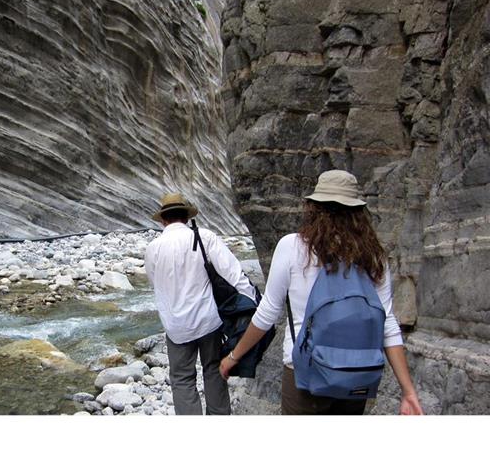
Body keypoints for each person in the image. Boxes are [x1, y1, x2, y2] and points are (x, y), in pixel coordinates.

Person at [218, 170, 424, 415]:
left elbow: (267, 313)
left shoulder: (292, 247)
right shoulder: (374, 256)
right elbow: (388, 324)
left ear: (313, 207)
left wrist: (234, 355)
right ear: (358, 212)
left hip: (304, 372)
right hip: (357, 374)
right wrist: (408, 391)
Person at [145, 192, 256, 415]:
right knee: (214, 370)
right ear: (186, 217)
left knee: (182, 378)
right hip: (208, 320)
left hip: (176, 326)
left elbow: (154, 282)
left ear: (164, 220)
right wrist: (252, 301)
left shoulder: (153, 248)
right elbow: (233, 272)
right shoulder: (204, 237)